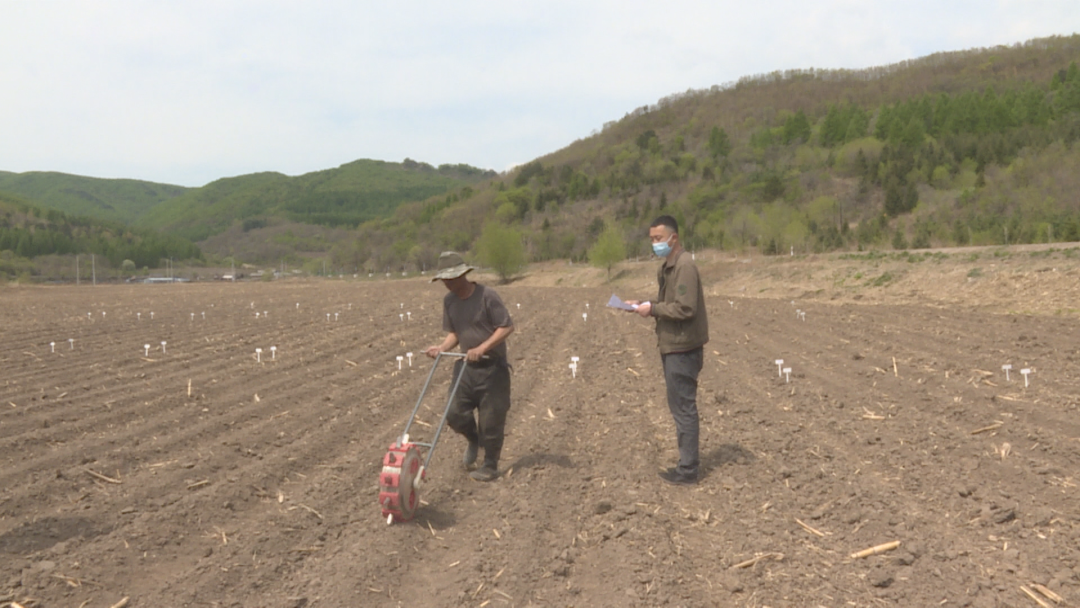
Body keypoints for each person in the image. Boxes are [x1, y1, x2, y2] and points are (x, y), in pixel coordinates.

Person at [625, 215, 709, 486]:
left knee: (684, 408)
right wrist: (645, 303)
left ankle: (688, 471)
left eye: (658, 239)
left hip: (683, 348)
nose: (654, 244)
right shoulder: (668, 267)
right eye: (651, 239)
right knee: (680, 407)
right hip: (673, 345)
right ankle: (686, 465)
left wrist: (653, 310)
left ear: (674, 238)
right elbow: (669, 302)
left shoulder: (684, 266)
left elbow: (685, 308)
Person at [423, 251, 514, 482]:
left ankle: (490, 465)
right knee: (454, 413)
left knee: (491, 419)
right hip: (465, 367)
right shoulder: (449, 302)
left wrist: (482, 348)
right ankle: (474, 439)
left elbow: (506, 327)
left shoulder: (487, 296)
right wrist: (441, 347)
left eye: (450, 278)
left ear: (463, 275)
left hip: (492, 368)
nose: (447, 283)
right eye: (444, 279)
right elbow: (456, 332)